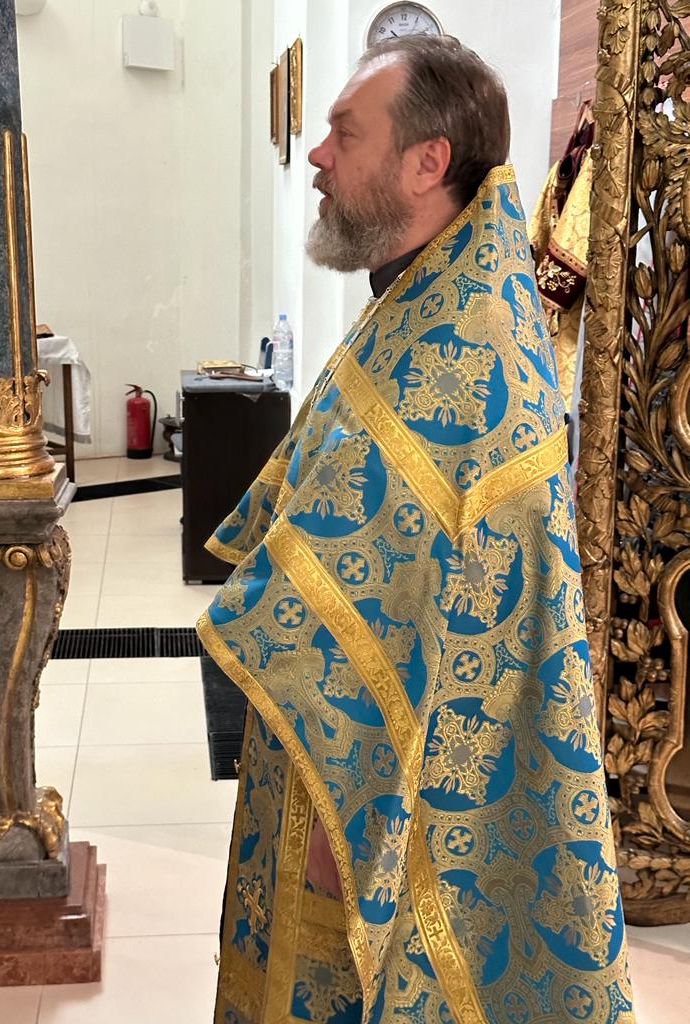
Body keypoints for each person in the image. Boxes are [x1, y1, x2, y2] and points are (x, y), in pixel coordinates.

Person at [198, 34, 636, 1024]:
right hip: (341, 763)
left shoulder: (465, 351)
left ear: (426, 162)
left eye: (344, 134)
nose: (319, 156)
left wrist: (347, 834)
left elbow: (402, 609)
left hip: (369, 802)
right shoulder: (432, 298)